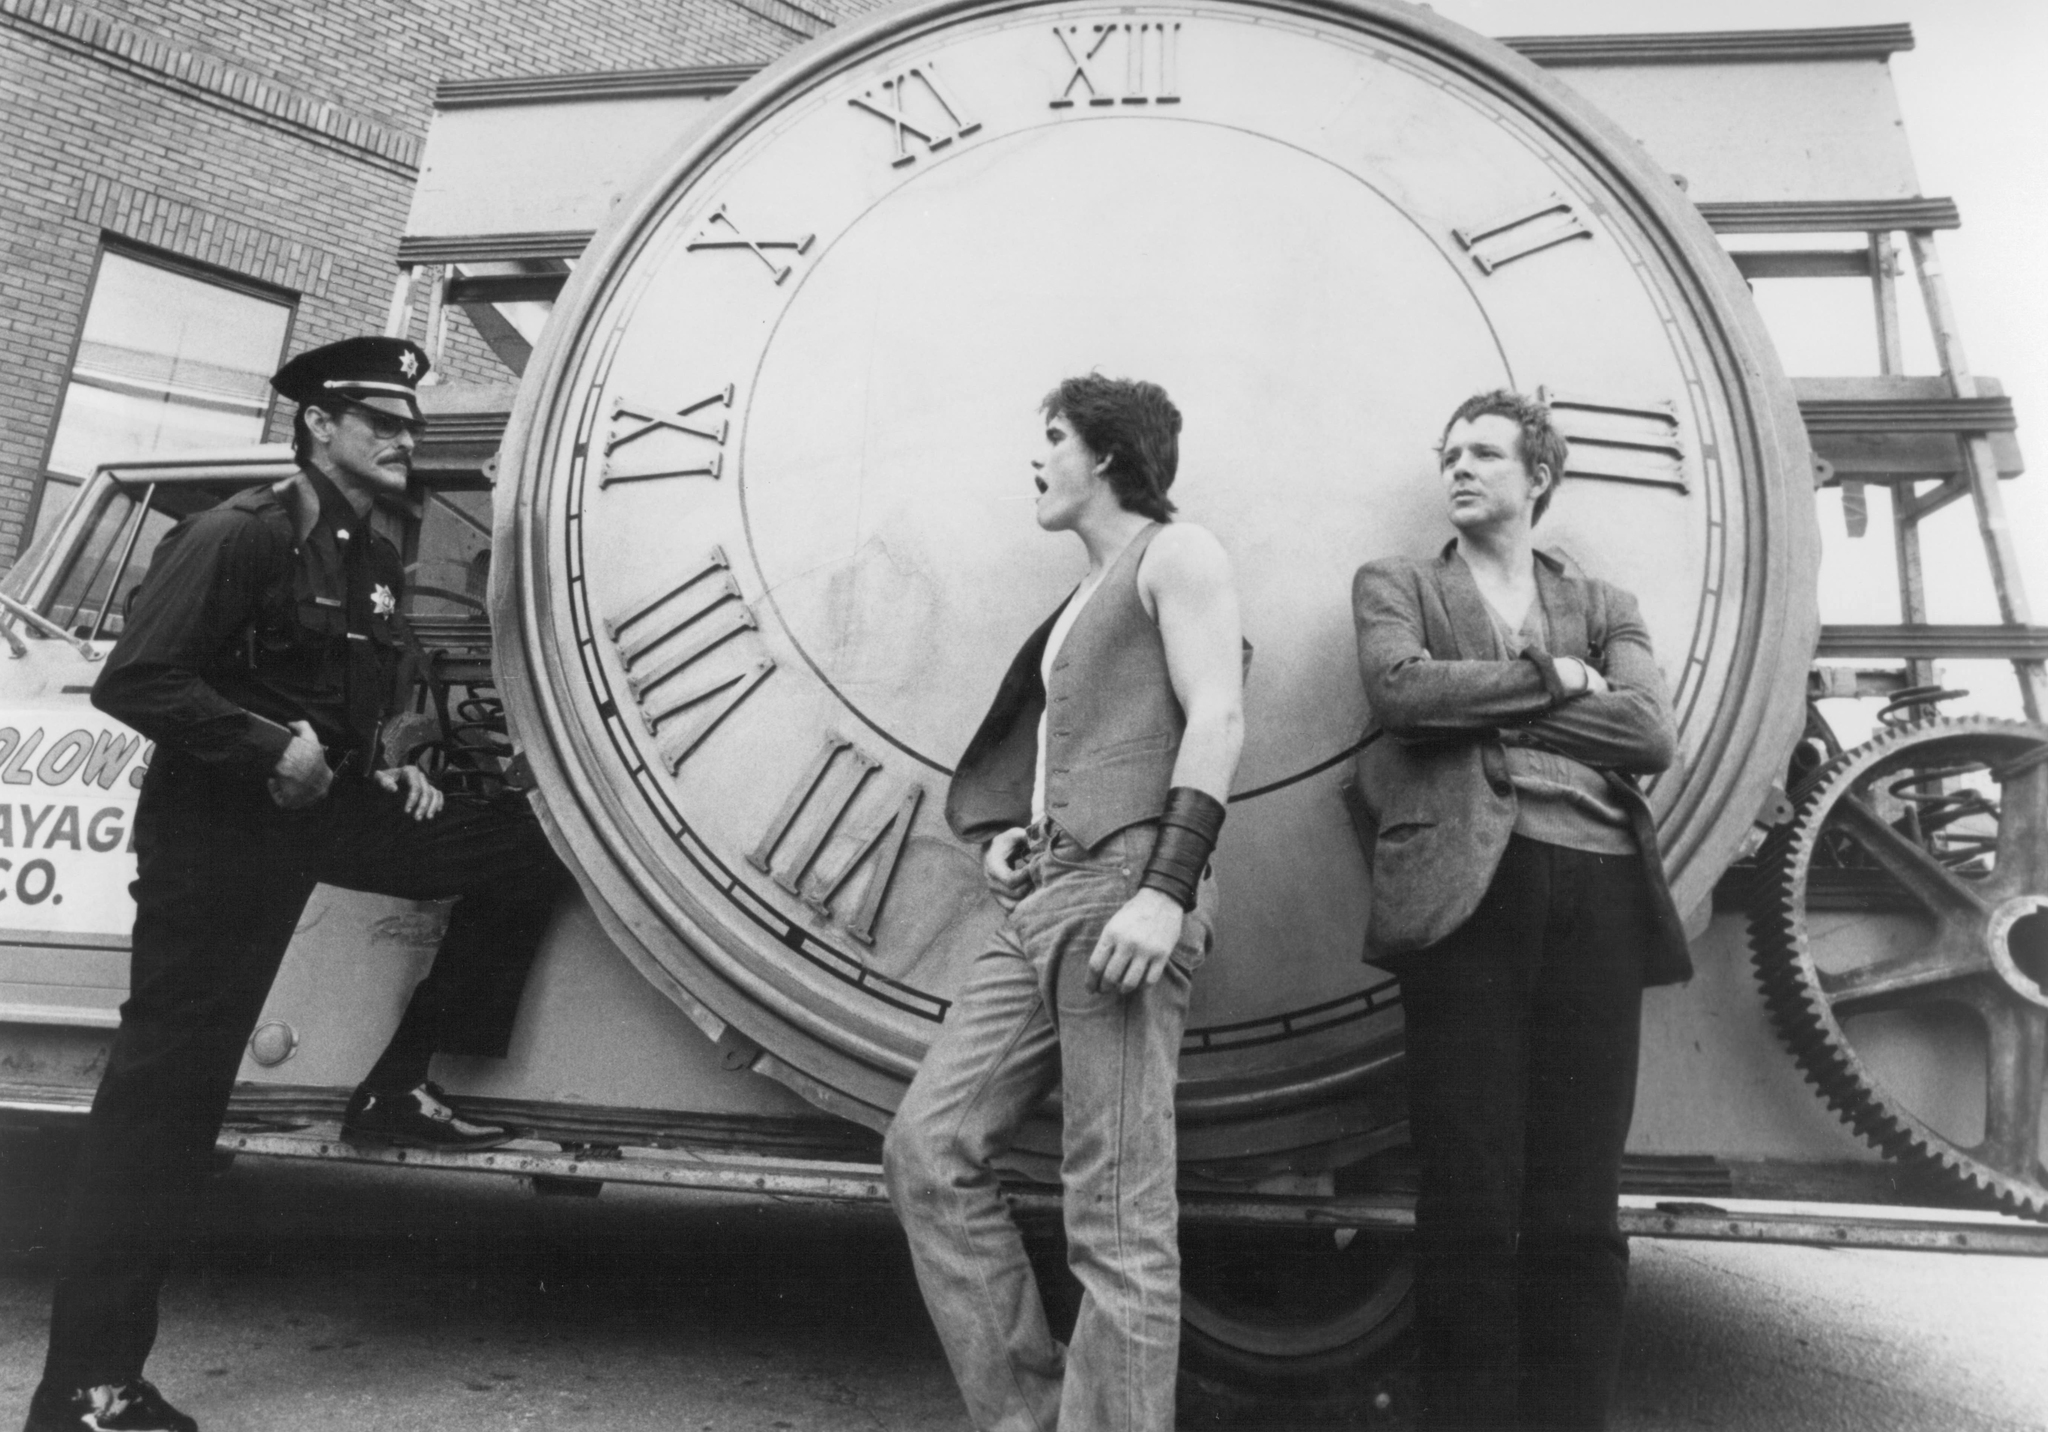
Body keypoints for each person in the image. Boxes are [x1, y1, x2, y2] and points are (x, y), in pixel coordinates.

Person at [24, 336, 573, 1432]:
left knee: (531, 841)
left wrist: (393, 764)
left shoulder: (365, 555)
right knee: (166, 1103)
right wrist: (266, 745)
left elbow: (354, 692)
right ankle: (85, 1387)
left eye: (412, 425)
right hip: (221, 837)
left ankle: (399, 1084)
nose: (405, 440)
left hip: (324, 810)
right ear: (320, 424)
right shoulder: (242, 532)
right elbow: (139, 681)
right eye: (384, 423)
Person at [883, 375, 1244, 1432]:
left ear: (1109, 455)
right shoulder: (1081, 599)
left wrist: (1164, 892)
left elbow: (1216, 719)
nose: (1032, 460)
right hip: (1043, 896)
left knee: (1116, 1219)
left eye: (1050, 438)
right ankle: (1031, 1416)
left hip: (1124, 893)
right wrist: (1009, 837)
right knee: (928, 1147)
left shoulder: (1179, 553)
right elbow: (1075, 742)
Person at [1350, 390, 1692, 1432]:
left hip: (1599, 894)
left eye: (1484, 453)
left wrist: (1494, 696)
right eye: (1447, 450)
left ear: (1536, 476)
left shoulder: (1605, 597)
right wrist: (1555, 680)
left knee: (1578, 1203)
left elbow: (1644, 733)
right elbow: (1402, 696)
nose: (1457, 466)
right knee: (1466, 1193)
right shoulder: (1396, 584)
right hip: (1467, 898)